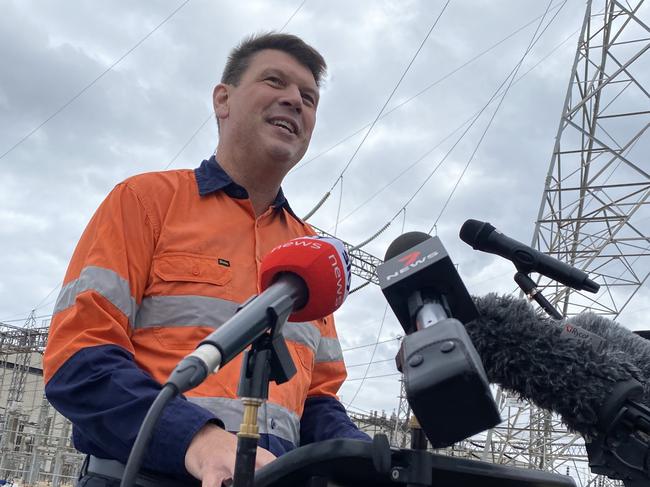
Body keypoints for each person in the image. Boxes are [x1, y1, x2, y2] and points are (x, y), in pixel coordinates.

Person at [43, 32, 369, 487]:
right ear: (223, 100)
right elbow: (77, 361)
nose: (295, 100)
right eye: (275, 81)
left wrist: (363, 462)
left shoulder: (312, 255)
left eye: (309, 98)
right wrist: (197, 440)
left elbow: (316, 400)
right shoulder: (145, 202)